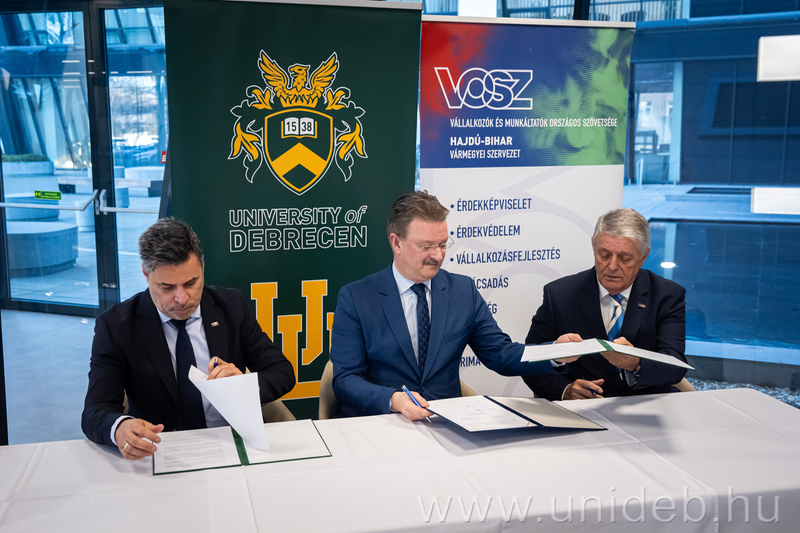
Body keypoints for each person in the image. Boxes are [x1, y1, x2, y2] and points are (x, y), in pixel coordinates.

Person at [330, 190, 564, 420]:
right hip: (381, 422)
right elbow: (345, 380)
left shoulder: (462, 291)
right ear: (396, 243)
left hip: (446, 424)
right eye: (426, 246)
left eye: (442, 245)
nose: (438, 256)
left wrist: (556, 353)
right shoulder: (357, 298)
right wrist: (393, 400)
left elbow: (499, 353)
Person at [81, 218, 295, 460]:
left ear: (202, 265)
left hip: (232, 444)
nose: (182, 298)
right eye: (167, 287)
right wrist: (119, 427)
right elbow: (95, 411)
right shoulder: (116, 326)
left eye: (191, 283)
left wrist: (242, 385)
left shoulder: (231, 306)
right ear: (145, 274)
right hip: (162, 452)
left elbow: (282, 372)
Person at [524, 208, 687, 401]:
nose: (612, 266)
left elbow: (675, 365)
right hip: (583, 409)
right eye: (604, 255)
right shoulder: (560, 295)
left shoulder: (667, 295)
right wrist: (565, 390)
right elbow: (530, 360)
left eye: (625, 258)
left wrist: (635, 363)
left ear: (643, 256)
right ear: (593, 247)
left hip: (647, 406)